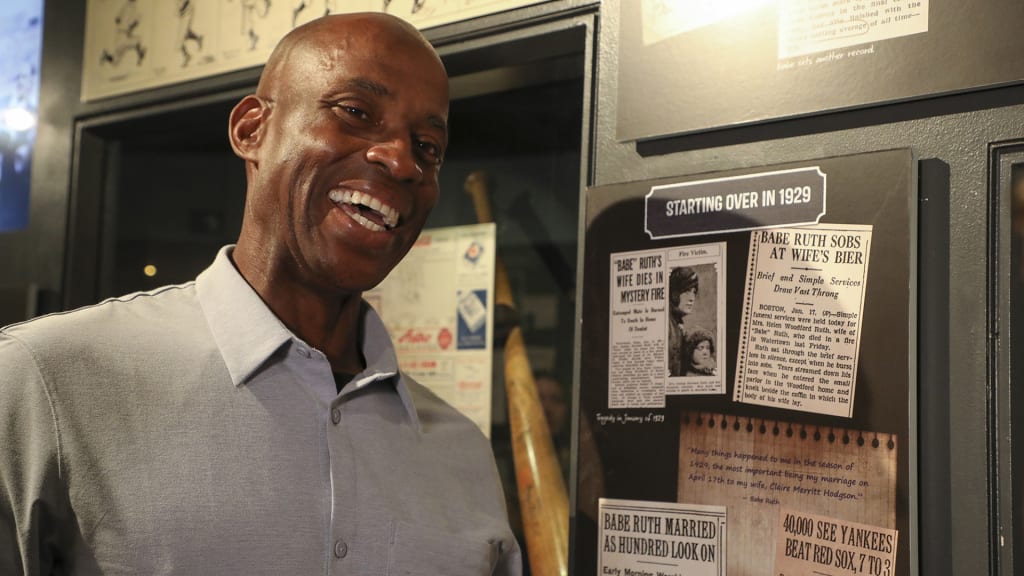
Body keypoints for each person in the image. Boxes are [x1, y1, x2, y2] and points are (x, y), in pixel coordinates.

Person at [0, 13, 521, 575]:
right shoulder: (49, 381)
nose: (401, 161)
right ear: (252, 130)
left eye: (428, 146)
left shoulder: (461, 454)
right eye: (355, 113)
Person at [667, 266, 699, 376]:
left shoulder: (676, 323)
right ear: (674, 294)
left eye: (694, 292)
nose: (692, 298)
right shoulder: (667, 324)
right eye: (686, 291)